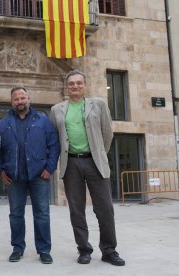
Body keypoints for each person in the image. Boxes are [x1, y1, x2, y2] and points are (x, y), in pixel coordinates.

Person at [49, 70, 125, 266]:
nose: (75, 86)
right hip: (71, 163)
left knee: (105, 209)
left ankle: (109, 250)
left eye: (79, 83)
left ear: (85, 85)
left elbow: (107, 134)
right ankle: (84, 249)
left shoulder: (98, 105)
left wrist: (98, 153)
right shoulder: (57, 109)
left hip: (95, 162)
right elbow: (54, 139)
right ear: (67, 86)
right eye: (71, 83)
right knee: (76, 209)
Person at [0, 87, 60, 264]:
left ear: (29, 99)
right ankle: (17, 248)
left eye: (23, 98)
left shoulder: (43, 121)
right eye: (16, 99)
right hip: (13, 176)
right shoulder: (3, 123)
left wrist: (50, 167)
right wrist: (1, 171)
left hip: (39, 175)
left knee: (42, 213)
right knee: (16, 214)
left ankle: (44, 250)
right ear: (11, 102)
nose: (20, 101)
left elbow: (54, 146)